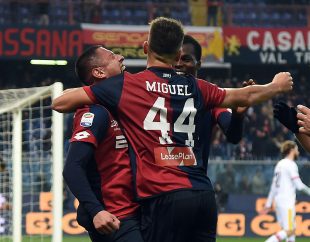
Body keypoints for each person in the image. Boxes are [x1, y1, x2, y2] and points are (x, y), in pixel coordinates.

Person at [53, 17, 293, 242]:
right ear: (178, 54)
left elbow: (60, 102)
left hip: (162, 196)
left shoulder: (127, 86)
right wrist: (276, 86)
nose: (121, 57)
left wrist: (85, 96)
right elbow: (244, 96)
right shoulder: (201, 89)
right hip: (202, 196)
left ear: (146, 48)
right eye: (113, 55)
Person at [63, 45, 144, 242]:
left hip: (136, 212)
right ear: (99, 72)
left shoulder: (124, 109)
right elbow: (72, 168)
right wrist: (96, 211)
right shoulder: (95, 112)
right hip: (115, 218)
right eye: (113, 56)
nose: (122, 57)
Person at [260, 140, 310, 242]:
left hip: (279, 202)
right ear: (291, 150)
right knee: (290, 230)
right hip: (287, 202)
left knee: (290, 230)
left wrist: (268, 204)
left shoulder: (280, 164)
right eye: (296, 149)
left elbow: (273, 187)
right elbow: (299, 186)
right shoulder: (291, 164)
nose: (298, 152)